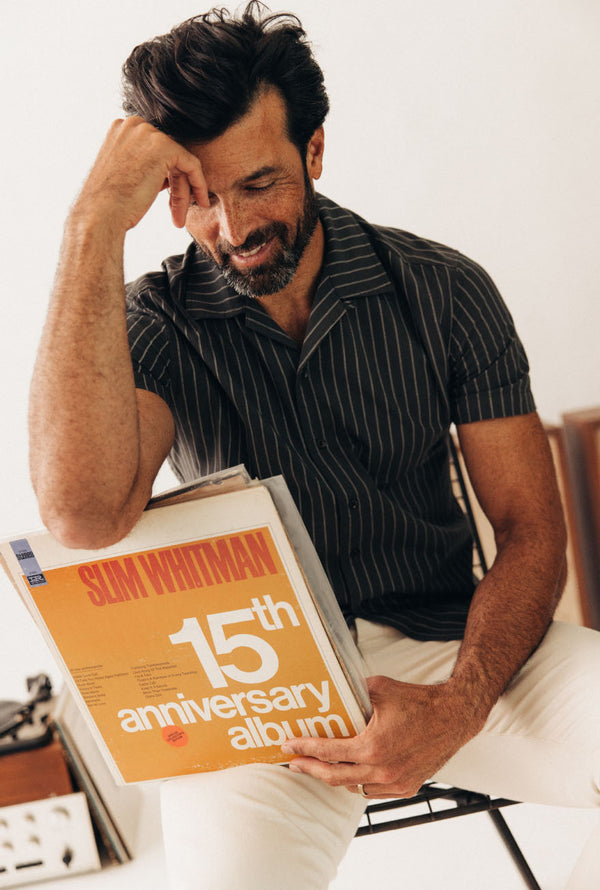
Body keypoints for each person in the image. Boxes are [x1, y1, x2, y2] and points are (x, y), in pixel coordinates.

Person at [29, 3, 600, 887]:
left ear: (315, 151)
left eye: (257, 184)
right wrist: (93, 221)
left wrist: (458, 706)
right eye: (198, 195)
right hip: (258, 694)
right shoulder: (150, 322)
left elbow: (531, 528)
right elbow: (82, 515)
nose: (229, 227)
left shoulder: (444, 289)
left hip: (451, 647)